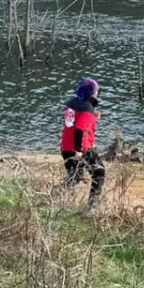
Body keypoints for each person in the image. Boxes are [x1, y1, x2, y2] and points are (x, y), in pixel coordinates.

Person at [60, 78, 106, 207]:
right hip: (82, 149)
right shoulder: (88, 109)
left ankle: (58, 194)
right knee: (99, 173)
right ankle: (92, 205)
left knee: (75, 177)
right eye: (96, 91)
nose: (97, 93)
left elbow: (73, 124)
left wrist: (94, 117)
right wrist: (79, 151)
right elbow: (80, 129)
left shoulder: (71, 104)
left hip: (65, 148)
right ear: (92, 93)